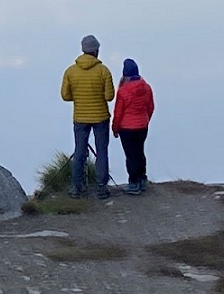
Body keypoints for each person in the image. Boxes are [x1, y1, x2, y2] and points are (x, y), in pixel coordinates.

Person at [61, 34, 115, 199]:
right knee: (102, 151)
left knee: (79, 151)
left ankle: (76, 187)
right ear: (96, 51)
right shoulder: (103, 71)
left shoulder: (70, 71)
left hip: (80, 117)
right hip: (100, 117)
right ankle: (101, 187)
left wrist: (79, 98)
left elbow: (65, 95)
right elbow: (109, 96)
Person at [112, 58, 155, 195]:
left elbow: (118, 113)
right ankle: (142, 179)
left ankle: (134, 183)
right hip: (142, 126)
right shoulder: (147, 87)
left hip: (127, 128)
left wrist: (115, 128)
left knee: (130, 156)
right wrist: (145, 120)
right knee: (140, 152)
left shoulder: (123, 91)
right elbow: (150, 107)